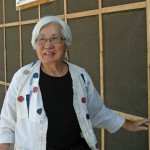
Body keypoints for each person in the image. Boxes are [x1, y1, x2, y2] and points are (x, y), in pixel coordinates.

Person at [0, 15, 149, 150]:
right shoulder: (23, 77)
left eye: (55, 38)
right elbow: (7, 121)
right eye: (41, 39)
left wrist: (127, 125)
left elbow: (97, 111)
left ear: (67, 44)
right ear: (35, 44)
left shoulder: (80, 76)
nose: (47, 45)